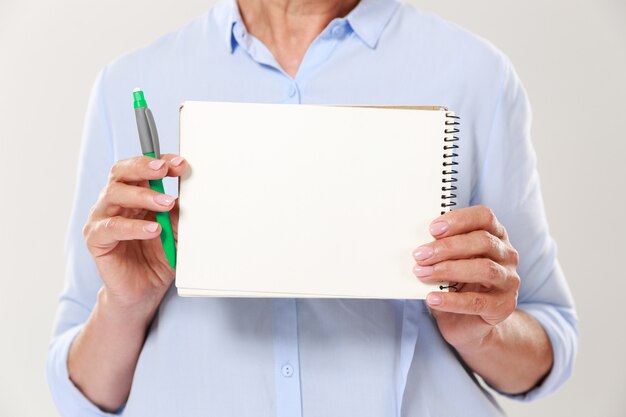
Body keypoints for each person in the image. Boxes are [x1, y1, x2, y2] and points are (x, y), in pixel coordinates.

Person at [46, 0, 578, 415]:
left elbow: (548, 340)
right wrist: (126, 305)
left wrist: (486, 331)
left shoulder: (475, 73)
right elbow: (83, 393)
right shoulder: (129, 82)